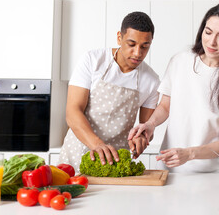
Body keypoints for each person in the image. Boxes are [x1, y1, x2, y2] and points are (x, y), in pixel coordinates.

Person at [128, 2, 219, 173]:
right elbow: (165, 106)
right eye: (208, 32)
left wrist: (189, 154)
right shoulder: (180, 61)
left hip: (212, 174)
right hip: (169, 169)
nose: (211, 42)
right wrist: (150, 124)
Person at [59, 11, 160, 172]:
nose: (138, 53)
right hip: (76, 154)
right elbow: (73, 112)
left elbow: (145, 126)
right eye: (131, 44)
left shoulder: (152, 81)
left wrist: (142, 137)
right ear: (119, 37)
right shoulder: (92, 60)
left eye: (145, 46)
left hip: (115, 163)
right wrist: (97, 144)